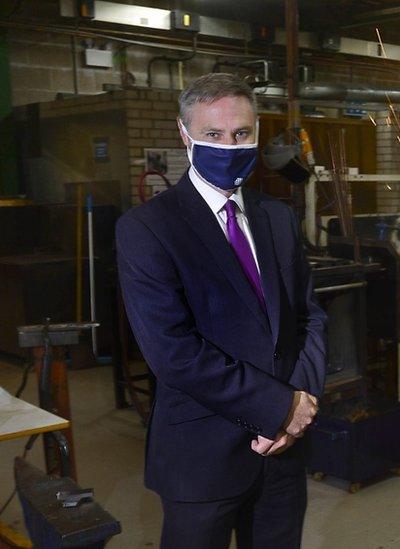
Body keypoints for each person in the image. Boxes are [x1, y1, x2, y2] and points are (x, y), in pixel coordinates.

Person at [116, 73, 327, 549]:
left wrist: (301, 407)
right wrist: (278, 407)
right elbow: (174, 352)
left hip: (283, 454)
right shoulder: (148, 228)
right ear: (184, 133)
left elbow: (309, 316)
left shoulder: (276, 216)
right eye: (213, 135)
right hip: (202, 456)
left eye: (241, 134)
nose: (229, 146)